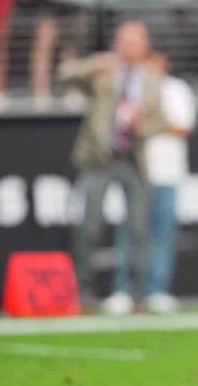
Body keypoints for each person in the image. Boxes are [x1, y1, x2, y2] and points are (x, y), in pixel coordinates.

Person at [59, 21, 166, 314]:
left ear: (144, 45)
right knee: (88, 227)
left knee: (139, 228)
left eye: (134, 41)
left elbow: (159, 121)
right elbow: (64, 74)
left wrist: (138, 123)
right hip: (100, 159)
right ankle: (83, 293)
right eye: (124, 41)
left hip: (133, 159)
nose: (129, 47)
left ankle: (138, 295)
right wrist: (95, 63)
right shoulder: (104, 71)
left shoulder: (153, 78)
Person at [143, 53, 198, 313]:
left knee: (163, 233)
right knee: (133, 233)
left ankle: (158, 288)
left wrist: (153, 120)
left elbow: (183, 126)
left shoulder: (177, 89)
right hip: (138, 171)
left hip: (168, 171)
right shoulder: (135, 89)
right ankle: (130, 290)